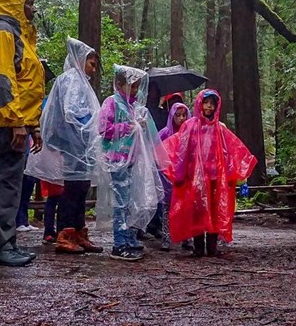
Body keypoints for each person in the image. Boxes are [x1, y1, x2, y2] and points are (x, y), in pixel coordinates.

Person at [25, 37, 103, 254]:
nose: (94, 69)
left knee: (82, 187)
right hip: (73, 144)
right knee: (72, 190)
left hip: (82, 144)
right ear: (80, 60)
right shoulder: (70, 80)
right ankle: (65, 235)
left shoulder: (80, 81)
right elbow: (71, 112)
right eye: (91, 64)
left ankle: (79, 233)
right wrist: (88, 124)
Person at [163, 89, 256, 257]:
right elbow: (181, 150)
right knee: (198, 212)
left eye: (212, 104)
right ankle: (199, 248)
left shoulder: (220, 128)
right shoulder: (190, 126)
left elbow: (228, 151)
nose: (209, 106)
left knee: (213, 211)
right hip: (196, 179)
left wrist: (230, 174)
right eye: (206, 103)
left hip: (214, 178)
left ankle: (212, 248)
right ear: (200, 103)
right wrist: (179, 173)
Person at [0, 0, 45, 267]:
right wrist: (17, 122)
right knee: (7, 182)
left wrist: (33, 124)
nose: (33, 9)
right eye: (28, 3)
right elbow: (0, 78)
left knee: (9, 181)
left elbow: (26, 82)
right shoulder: (2, 31)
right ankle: (0, 244)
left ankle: (4, 241)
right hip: (5, 122)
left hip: (16, 121)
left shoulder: (21, 34)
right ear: (13, 4)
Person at [91, 65, 166, 262]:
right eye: (131, 86)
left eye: (137, 87)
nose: (135, 91)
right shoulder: (112, 103)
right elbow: (103, 129)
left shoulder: (134, 107)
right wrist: (129, 127)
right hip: (117, 160)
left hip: (131, 160)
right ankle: (119, 243)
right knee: (120, 203)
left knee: (132, 201)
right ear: (119, 84)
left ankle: (129, 237)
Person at [157, 102, 190, 251]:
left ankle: (186, 238)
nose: (181, 118)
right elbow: (156, 152)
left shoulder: (190, 132)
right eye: (178, 115)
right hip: (168, 178)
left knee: (185, 207)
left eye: (184, 115)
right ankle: (166, 237)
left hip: (184, 177)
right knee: (167, 208)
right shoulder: (165, 133)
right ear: (172, 116)